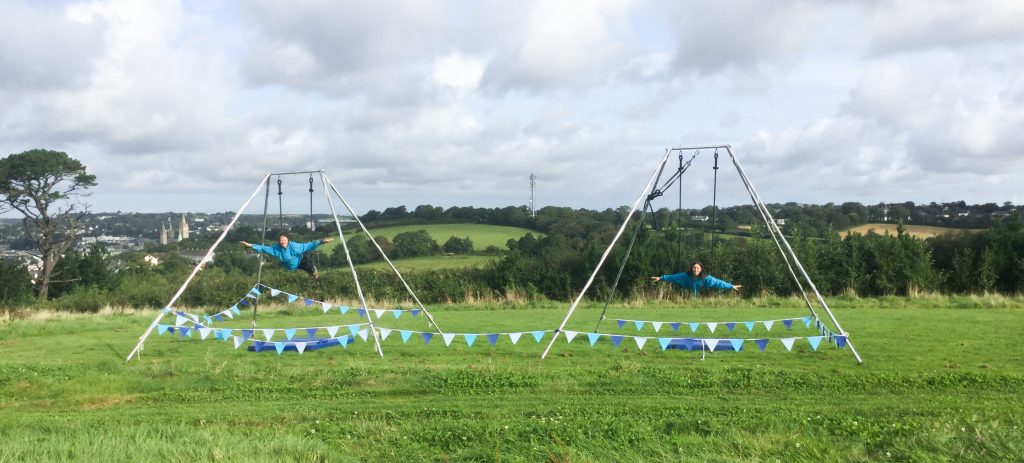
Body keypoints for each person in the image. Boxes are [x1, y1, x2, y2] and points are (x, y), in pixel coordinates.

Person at [240, 233, 333, 281]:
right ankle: (312, 274)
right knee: (301, 264)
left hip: (299, 260)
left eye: (284, 240)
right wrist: (249, 245)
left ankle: (315, 277)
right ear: (279, 242)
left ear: (288, 240)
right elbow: (263, 248)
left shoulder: (294, 246)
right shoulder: (276, 249)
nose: (283, 242)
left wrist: (321, 241)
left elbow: (307, 245)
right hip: (290, 266)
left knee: (309, 265)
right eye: (281, 240)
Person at [651, 260, 742, 297]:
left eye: (698, 268)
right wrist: (661, 278)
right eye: (694, 267)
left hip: (703, 294)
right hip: (687, 295)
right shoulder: (686, 275)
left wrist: (731, 286)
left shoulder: (707, 278)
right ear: (691, 268)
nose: (696, 269)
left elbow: (718, 282)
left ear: (701, 269)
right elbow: (674, 277)